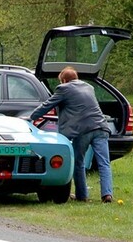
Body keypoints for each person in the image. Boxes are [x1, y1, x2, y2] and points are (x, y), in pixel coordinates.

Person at [30, 66, 113, 203]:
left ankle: (82, 196)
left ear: (64, 80)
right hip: (101, 127)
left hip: (83, 130)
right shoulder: (88, 87)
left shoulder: (64, 89)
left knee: (78, 163)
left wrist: (31, 117)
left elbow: (47, 105)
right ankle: (107, 194)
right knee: (104, 163)